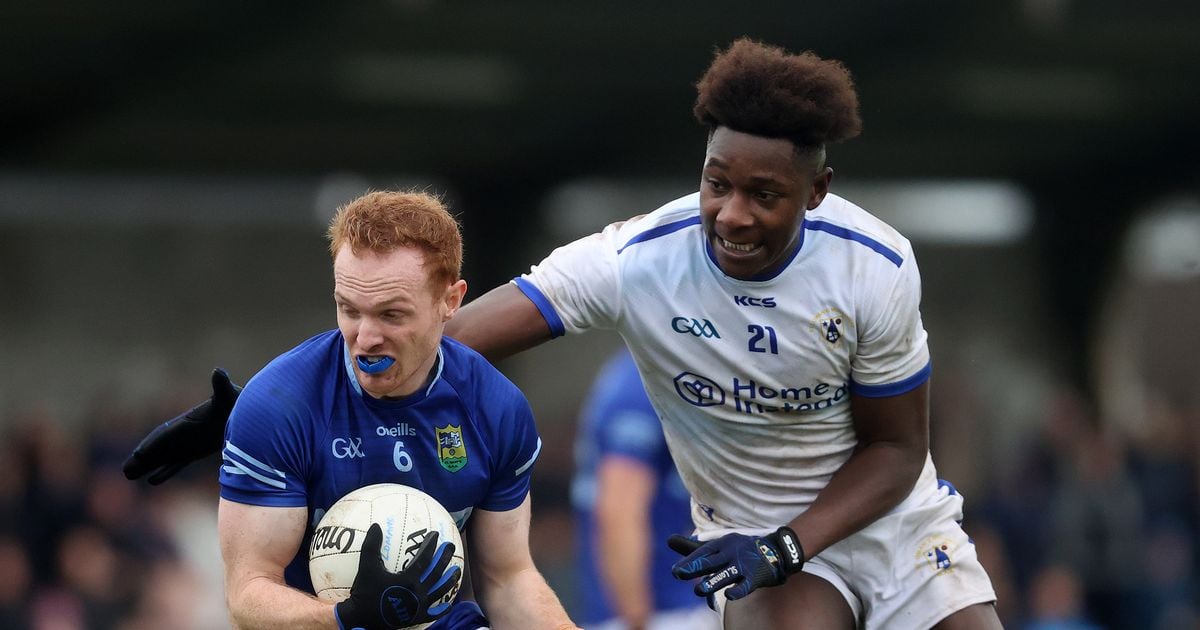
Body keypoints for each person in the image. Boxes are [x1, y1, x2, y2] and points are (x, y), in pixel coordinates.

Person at [125, 39, 1002, 629]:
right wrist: (266, 404)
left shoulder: (874, 267)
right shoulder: (638, 260)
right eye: (715, 183)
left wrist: (789, 543)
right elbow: (438, 334)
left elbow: (895, 453)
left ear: (816, 191)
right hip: (749, 540)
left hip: (888, 519)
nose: (730, 215)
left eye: (763, 195)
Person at [177, 190, 576, 629]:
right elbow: (247, 594)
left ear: (451, 300)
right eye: (348, 309)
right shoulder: (278, 406)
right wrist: (347, 617)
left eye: (391, 314)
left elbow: (507, 578)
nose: (365, 338)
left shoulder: (495, 409)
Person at [570, 348, 718, 630]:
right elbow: (619, 510)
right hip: (665, 612)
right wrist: (638, 619)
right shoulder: (643, 381)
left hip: (663, 609)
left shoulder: (638, 373)